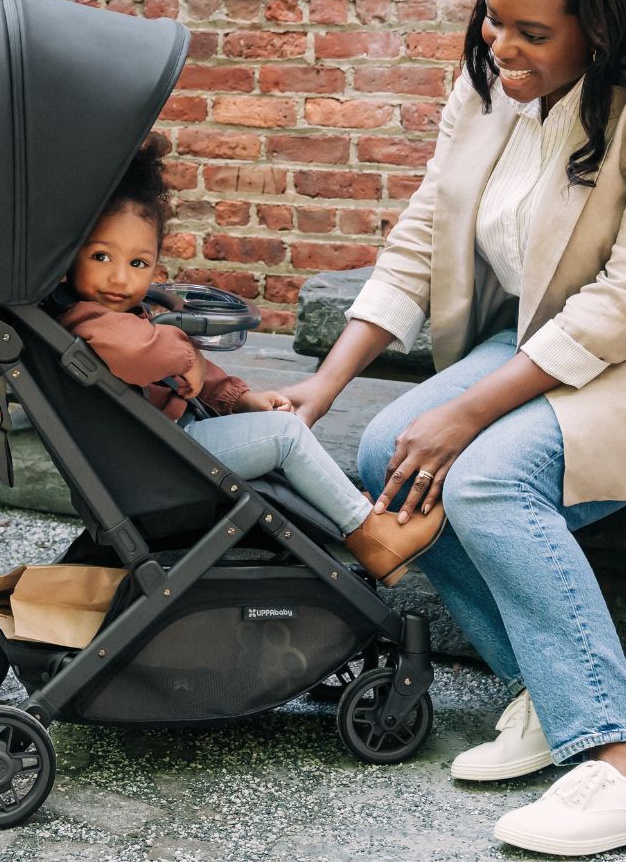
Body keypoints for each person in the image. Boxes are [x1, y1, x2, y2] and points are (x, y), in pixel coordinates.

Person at [281, 0, 626, 857]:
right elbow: (424, 232)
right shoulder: (490, 84)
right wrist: (325, 387)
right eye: (492, 19)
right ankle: (550, 695)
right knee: (386, 454)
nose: (502, 46)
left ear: (604, 28)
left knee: (487, 478)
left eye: (532, 32)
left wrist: (467, 413)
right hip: (546, 340)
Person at [56, 136, 447, 584]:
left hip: (159, 449)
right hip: (156, 463)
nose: (119, 278)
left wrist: (241, 399)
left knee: (275, 429)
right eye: (101, 256)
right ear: (70, 256)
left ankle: (349, 510)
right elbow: (141, 353)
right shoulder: (88, 320)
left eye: (139, 263)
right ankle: (372, 536)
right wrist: (185, 351)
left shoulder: (121, 315)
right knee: (285, 435)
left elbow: (190, 373)